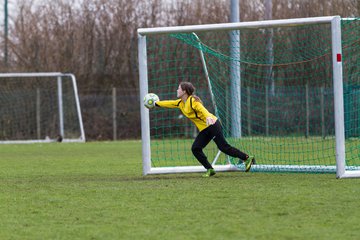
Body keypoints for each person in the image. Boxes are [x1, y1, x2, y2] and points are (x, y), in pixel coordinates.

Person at [153, 82, 255, 177]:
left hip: (212, 125)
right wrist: (156, 104)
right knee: (196, 148)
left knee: (223, 147)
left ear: (184, 91)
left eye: (178, 88)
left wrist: (208, 117)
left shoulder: (193, 101)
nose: (177, 90)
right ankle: (210, 169)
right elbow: (169, 103)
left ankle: (247, 158)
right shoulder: (180, 103)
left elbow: (202, 109)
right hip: (205, 129)